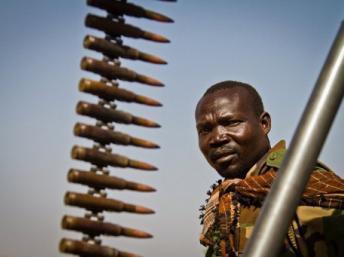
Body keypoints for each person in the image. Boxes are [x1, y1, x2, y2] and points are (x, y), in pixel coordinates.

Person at [195, 80, 344, 257]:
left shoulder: (300, 185)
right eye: (205, 130)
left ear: (264, 124)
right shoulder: (227, 199)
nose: (216, 138)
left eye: (231, 123)